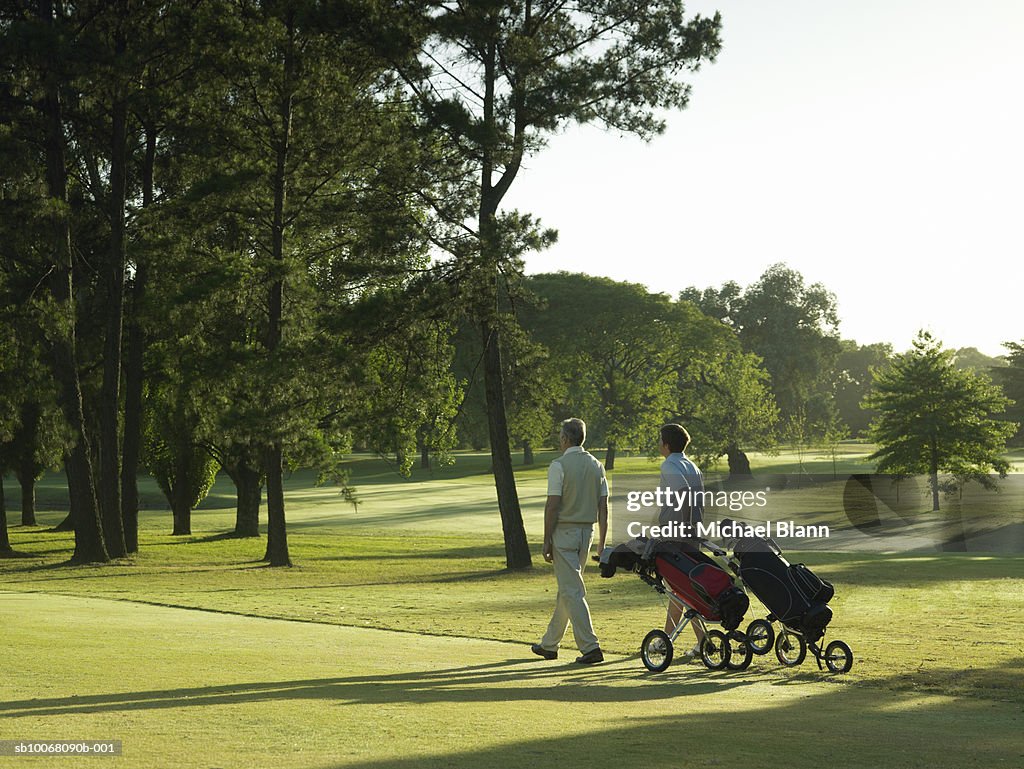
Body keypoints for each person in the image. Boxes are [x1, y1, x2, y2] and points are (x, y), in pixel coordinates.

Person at [531, 417, 608, 664]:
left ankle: (590, 647)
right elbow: (603, 506)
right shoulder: (597, 465)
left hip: (564, 532)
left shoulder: (558, 465)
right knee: (568, 589)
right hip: (587, 533)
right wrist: (602, 543)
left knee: (572, 590)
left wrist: (546, 540)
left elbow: (552, 505)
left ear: (565, 438)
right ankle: (549, 644)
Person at [657, 422, 707, 659]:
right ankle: (693, 641)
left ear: (666, 444)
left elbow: (684, 493)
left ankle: (667, 641)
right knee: (681, 588)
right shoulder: (692, 466)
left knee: (678, 588)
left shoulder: (669, 465)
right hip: (691, 534)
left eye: (660, 441)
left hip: (676, 535)